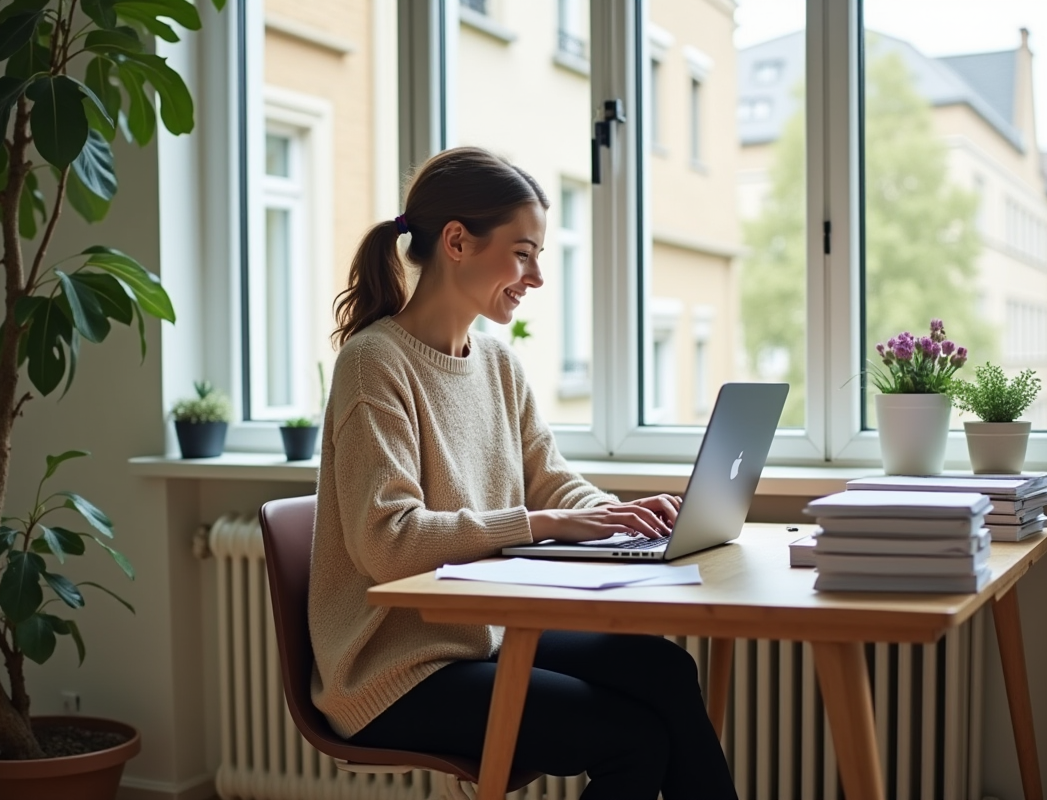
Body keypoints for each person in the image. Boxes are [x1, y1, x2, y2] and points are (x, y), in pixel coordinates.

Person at [308, 146, 739, 800]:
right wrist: (544, 523)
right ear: (457, 242)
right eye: (523, 253)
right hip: (394, 670)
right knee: (634, 738)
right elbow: (387, 542)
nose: (536, 277)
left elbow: (551, 483)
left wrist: (623, 518)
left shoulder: (498, 364)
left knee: (666, 671)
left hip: (479, 639)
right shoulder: (374, 365)